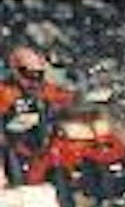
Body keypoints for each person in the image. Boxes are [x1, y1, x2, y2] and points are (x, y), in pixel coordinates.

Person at [0, 47, 75, 186]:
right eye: (29, 74)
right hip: (16, 143)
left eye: (38, 75)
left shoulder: (45, 89)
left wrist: (79, 101)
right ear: (17, 72)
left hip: (44, 138)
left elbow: (65, 97)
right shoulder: (6, 91)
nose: (34, 79)